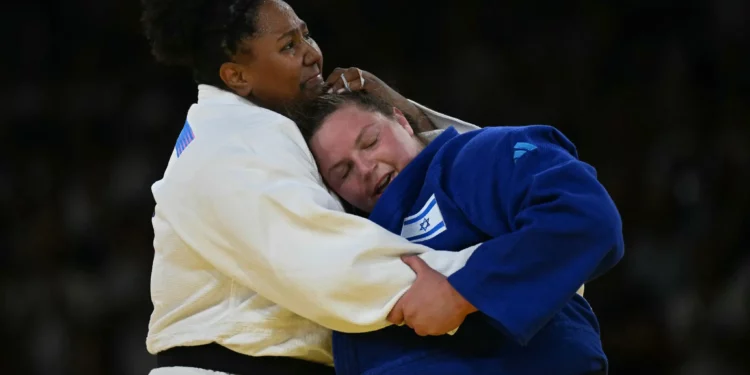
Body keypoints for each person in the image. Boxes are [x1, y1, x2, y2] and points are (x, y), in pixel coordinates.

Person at [140, 0, 493, 374]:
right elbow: (334, 265)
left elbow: (492, 168)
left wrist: (399, 109)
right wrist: (496, 269)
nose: (311, 54)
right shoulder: (235, 143)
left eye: (305, 34)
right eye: (288, 46)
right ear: (237, 76)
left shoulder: (260, 128)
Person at [292, 91, 625, 374]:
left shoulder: (475, 156)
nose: (365, 169)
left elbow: (583, 214)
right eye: (344, 171)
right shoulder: (347, 238)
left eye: (371, 141)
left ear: (402, 121)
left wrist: (462, 293)